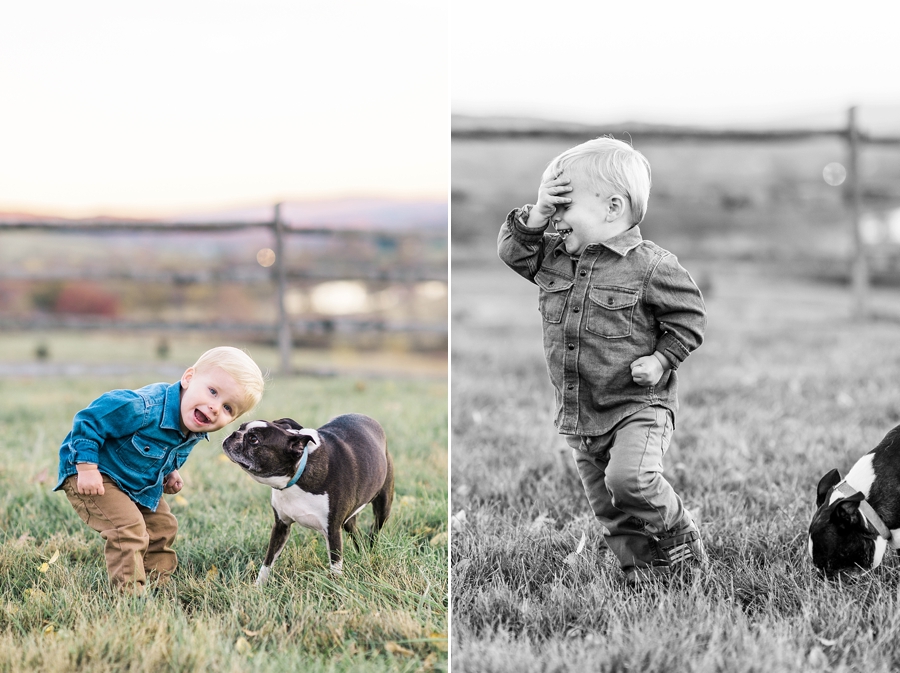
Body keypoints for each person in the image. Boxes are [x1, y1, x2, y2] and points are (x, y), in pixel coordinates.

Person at [498, 137, 708, 585]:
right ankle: (643, 574)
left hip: (637, 407)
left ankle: (680, 536)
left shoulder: (651, 267)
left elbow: (690, 318)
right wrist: (535, 213)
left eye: (562, 207)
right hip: (580, 413)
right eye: (550, 208)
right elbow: (513, 253)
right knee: (609, 506)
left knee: (630, 481)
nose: (554, 218)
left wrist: (662, 359)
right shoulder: (554, 258)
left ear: (612, 208)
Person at [54, 346, 265, 594]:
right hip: (93, 472)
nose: (215, 407)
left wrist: (169, 472)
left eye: (228, 408)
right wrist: (87, 468)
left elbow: (161, 450)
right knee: (128, 528)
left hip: (134, 482)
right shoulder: (143, 407)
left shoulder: (193, 427)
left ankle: (158, 583)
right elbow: (89, 420)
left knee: (163, 526)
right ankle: (130, 596)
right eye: (212, 391)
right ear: (188, 378)